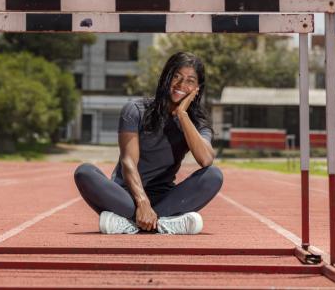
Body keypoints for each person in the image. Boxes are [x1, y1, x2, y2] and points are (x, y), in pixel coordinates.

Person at [74, 52, 223, 235]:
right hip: (126, 196)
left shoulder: (197, 122)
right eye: (176, 76)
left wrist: (182, 115)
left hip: (164, 198)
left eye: (190, 80)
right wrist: (142, 202)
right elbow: (128, 162)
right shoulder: (135, 110)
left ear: (197, 88)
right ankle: (163, 224)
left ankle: (131, 224)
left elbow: (206, 159)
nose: (181, 85)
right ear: (165, 78)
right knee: (84, 172)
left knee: (213, 175)